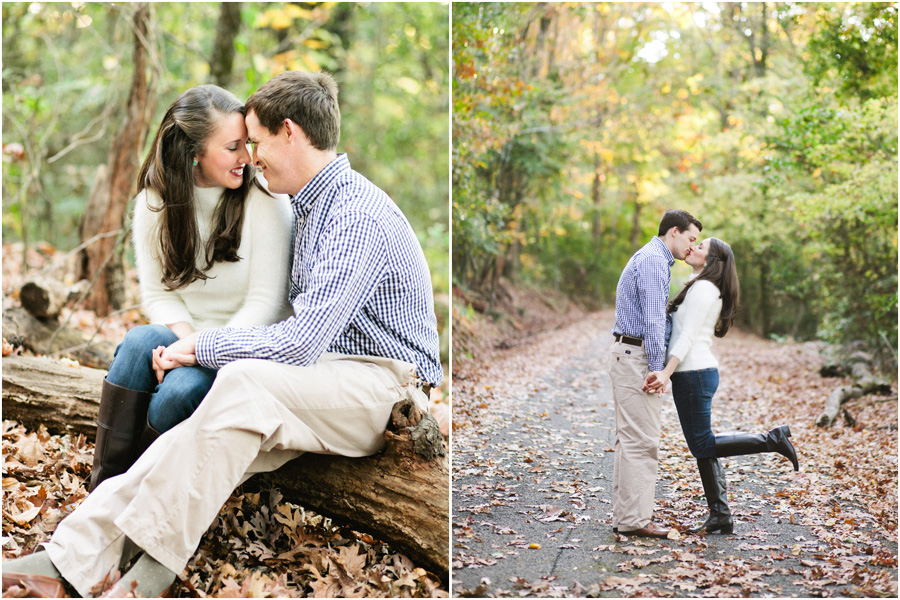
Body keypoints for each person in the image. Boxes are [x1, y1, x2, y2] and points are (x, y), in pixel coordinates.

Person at [2, 71, 442, 599]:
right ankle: (73, 558)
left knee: (239, 385)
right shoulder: (314, 204)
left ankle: (143, 575)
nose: (251, 157)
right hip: (329, 377)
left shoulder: (354, 214)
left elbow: (301, 340)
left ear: (289, 132)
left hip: (387, 385)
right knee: (198, 439)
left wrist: (200, 345)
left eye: (255, 141)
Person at [89, 84, 293, 491]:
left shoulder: (264, 196)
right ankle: (102, 490)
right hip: (184, 336)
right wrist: (184, 344)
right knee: (137, 342)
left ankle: (136, 495)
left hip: (242, 345)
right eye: (233, 147)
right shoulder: (155, 201)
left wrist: (198, 350)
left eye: (247, 144)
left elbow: (267, 303)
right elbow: (158, 294)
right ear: (194, 152)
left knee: (177, 393)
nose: (247, 157)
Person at [644, 237, 799, 534]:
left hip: (694, 374)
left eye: (701, 246)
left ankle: (771, 440)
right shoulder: (699, 285)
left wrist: (665, 372)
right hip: (693, 374)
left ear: (712, 260)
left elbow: (687, 336)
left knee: (702, 444)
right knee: (704, 446)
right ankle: (720, 515)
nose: (693, 248)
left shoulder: (704, 288)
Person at [609, 209, 701, 539]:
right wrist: (656, 369)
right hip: (636, 357)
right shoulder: (653, 261)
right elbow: (652, 320)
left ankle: (627, 517)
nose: (692, 246)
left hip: (629, 353)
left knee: (630, 440)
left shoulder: (653, 258)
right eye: (691, 238)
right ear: (674, 231)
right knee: (642, 441)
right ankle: (635, 520)